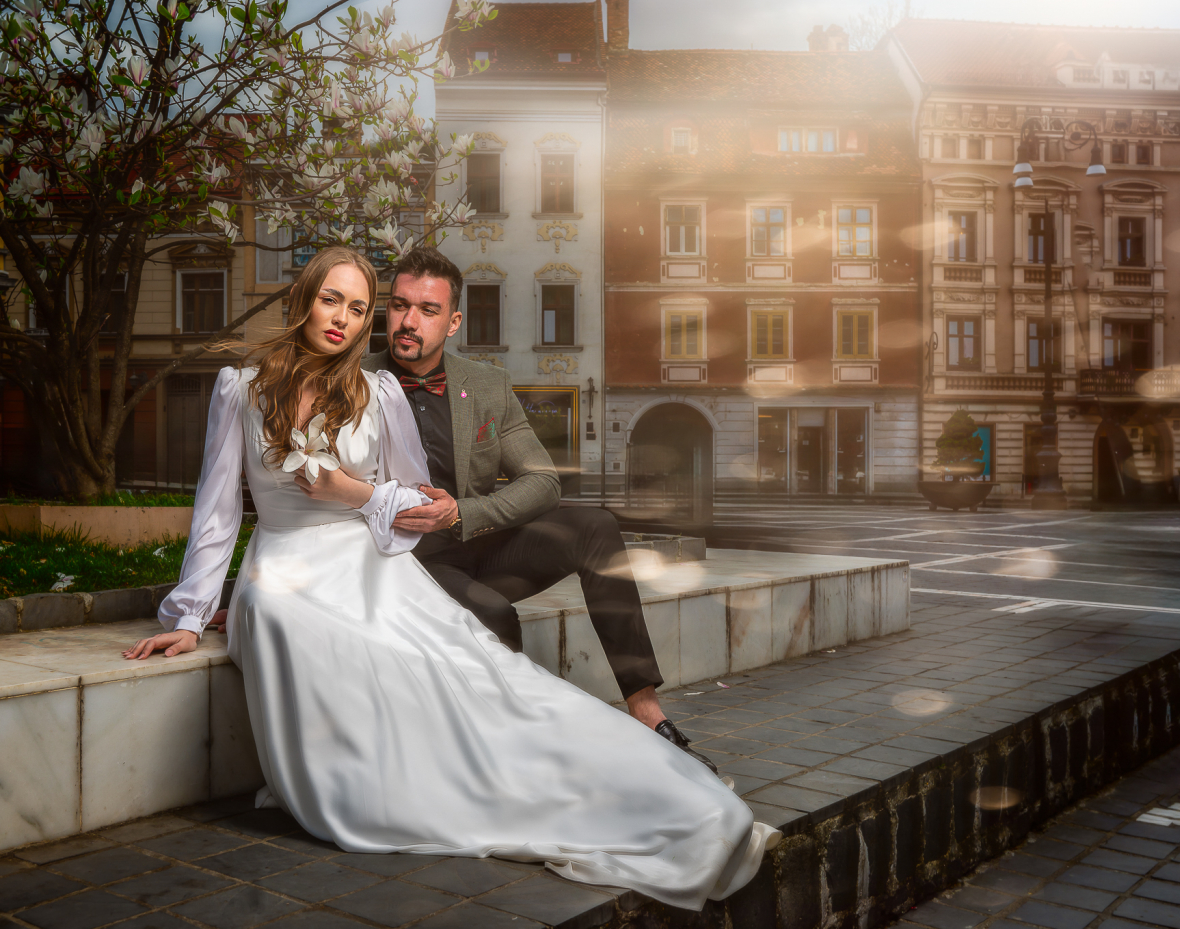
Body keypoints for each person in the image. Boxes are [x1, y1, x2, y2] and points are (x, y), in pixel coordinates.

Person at [123, 246, 779, 910]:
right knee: (455, 622)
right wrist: (191, 614)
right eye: (360, 303)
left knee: (568, 565)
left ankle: (640, 717)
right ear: (305, 301)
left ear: (451, 320)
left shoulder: (417, 389)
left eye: (366, 307)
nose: (368, 320)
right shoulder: (252, 384)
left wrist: (425, 505)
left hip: (419, 546)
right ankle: (469, 766)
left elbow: (475, 491)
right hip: (324, 564)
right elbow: (217, 510)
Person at [360, 247, 716, 773]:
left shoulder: (485, 384)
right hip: (410, 563)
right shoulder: (354, 380)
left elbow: (543, 480)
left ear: (454, 321)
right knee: (494, 613)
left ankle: (646, 712)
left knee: (595, 524)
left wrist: (464, 512)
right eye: (400, 305)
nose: (409, 321)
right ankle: (512, 754)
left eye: (428, 310)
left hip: (477, 538)